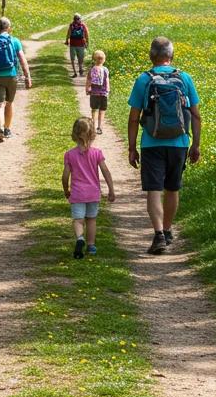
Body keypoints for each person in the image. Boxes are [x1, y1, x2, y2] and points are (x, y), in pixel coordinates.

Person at [127, 36, 201, 255]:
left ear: (152, 56)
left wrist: (132, 148)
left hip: (152, 143)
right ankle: (167, 231)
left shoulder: (144, 79)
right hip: (179, 143)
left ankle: (158, 234)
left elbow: (133, 118)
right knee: (172, 188)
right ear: (172, 55)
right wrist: (195, 145)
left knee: (153, 190)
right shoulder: (185, 78)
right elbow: (195, 115)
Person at [62, 117, 115, 259]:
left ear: (74, 134)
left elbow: (65, 175)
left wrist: (66, 189)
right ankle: (91, 245)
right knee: (91, 219)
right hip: (93, 193)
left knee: (78, 220)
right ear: (92, 134)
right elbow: (106, 171)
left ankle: (80, 238)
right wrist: (111, 189)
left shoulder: (70, 154)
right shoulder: (97, 153)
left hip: (78, 194)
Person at [0, 17, 31, 143]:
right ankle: (7, 129)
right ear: (9, 28)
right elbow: (22, 58)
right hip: (11, 75)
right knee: (9, 102)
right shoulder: (14, 41)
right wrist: (27, 76)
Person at [84, 50, 110, 135]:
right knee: (102, 111)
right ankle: (99, 127)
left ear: (94, 59)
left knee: (94, 110)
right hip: (103, 94)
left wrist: (87, 89)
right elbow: (107, 81)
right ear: (104, 60)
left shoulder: (91, 69)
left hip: (94, 93)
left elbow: (88, 80)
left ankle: (93, 127)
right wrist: (107, 90)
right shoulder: (105, 69)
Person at [66, 14, 89, 78]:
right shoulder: (83, 25)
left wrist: (66, 40)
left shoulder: (71, 25)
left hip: (73, 44)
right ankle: (80, 69)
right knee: (81, 58)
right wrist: (87, 42)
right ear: (80, 18)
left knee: (72, 59)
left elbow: (68, 33)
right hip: (81, 44)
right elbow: (87, 34)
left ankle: (75, 73)